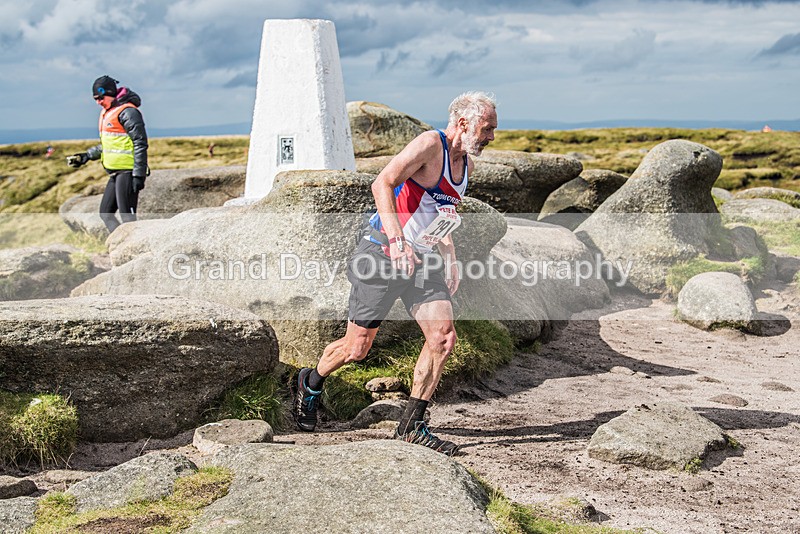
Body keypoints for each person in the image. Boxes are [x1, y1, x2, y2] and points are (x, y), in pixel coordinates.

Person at [293, 91, 497, 456]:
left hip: (421, 260)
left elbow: (442, 212)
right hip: (382, 253)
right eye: (487, 128)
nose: (492, 136)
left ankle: (412, 426)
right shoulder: (428, 144)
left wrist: (449, 256)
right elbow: (382, 183)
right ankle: (310, 381)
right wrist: (398, 240)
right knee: (357, 348)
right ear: (464, 122)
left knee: (443, 337)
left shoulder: (464, 164)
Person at [66, 75, 148, 233]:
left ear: (110, 92)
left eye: (100, 97)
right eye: (95, 99)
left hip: (128, 171)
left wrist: (139, 174)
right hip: (115, 172)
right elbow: (109, 144)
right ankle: (122, 246)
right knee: (105, 213)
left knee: (128, 219)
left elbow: (140, 143)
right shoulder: (108, 112)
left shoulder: (128, 111)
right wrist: (87, 156)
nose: (98, 102)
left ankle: (136, 252)